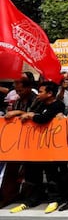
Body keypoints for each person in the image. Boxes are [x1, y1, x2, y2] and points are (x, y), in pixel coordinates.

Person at [10, 81, 66, 214]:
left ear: (50, 93)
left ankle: (54, 199)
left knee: (51, 174)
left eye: (41, 92)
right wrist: (25, 114)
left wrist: (32, 116)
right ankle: (33, 199)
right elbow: (31, 114)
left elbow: (44, 119)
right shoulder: (39, 103)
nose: (38, 94)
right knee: (33, 174)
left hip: (50, 147)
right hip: (35, 146)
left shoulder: (58, 104)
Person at [1, 77, 38, 208]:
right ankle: (7, 195)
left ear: (28, 88)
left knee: (30, 171)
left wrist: (19, 112)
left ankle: (30, 196)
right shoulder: (17, 100)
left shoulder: (37, 99)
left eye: (21, 90)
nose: (18, 93)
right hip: (16, 140)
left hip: (34, 141)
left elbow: (37, 115)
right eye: (16, 90)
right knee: (11, 168)